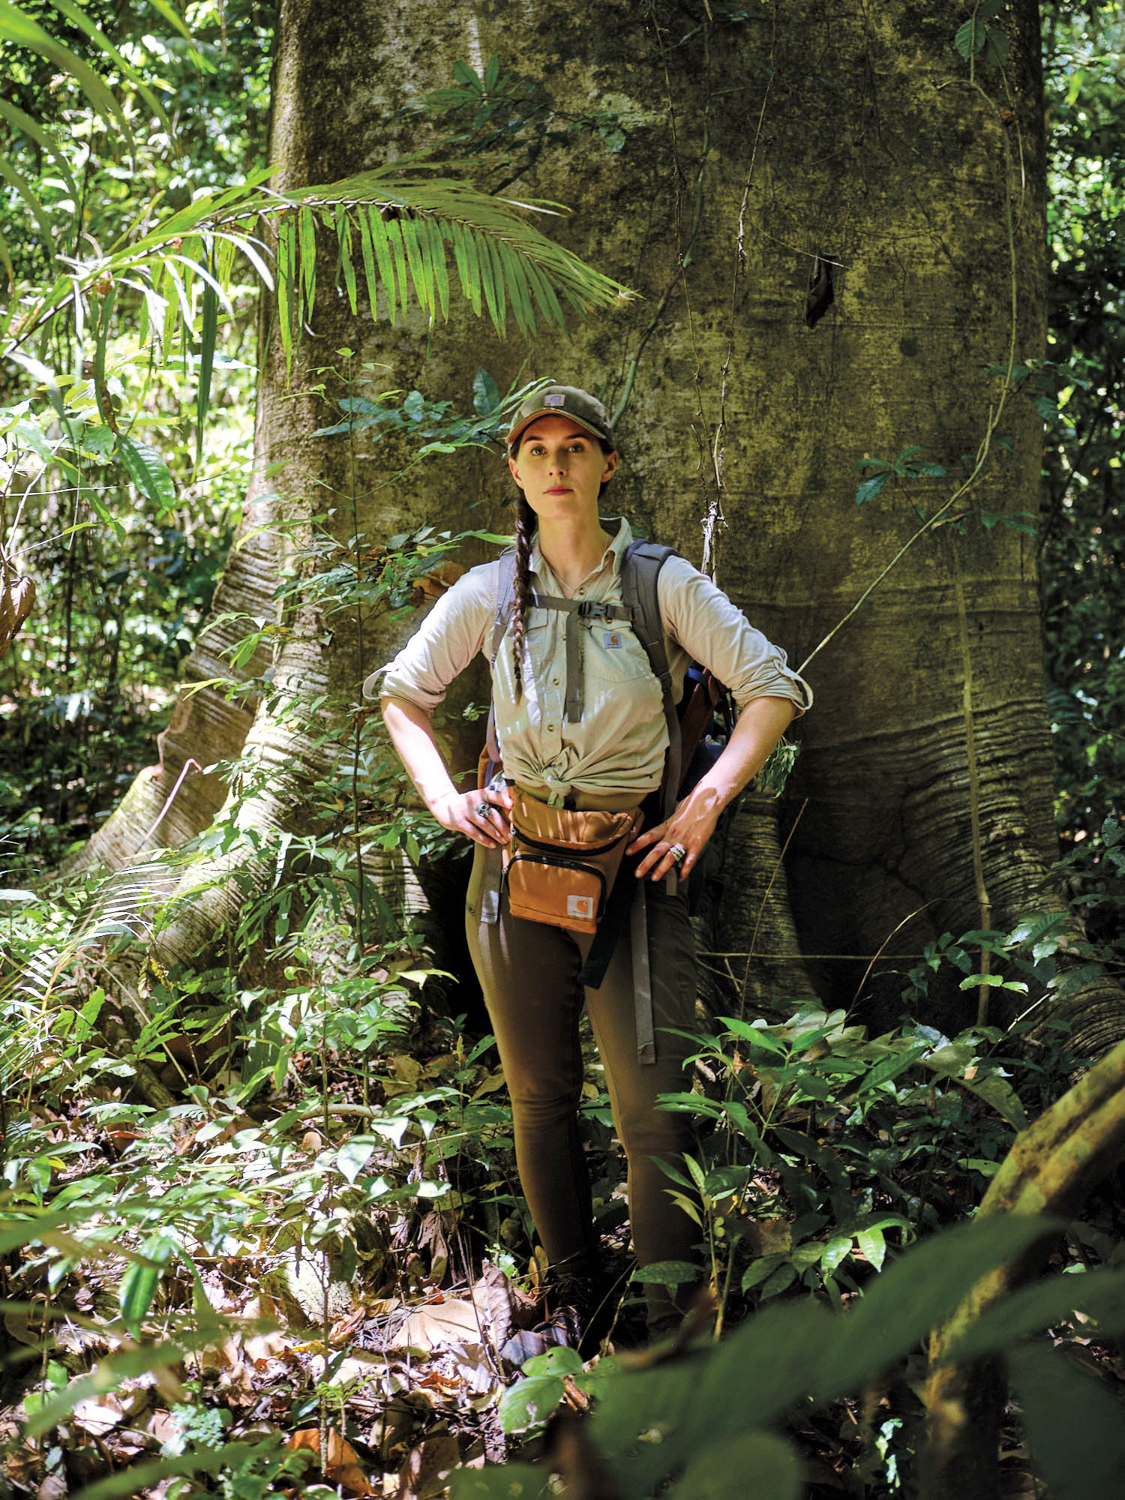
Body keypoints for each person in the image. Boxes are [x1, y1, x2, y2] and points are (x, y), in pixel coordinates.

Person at [368, 386, 810, 1350]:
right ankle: (574, 1304)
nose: (556, 464)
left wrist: (700, 806)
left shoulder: (659, 585)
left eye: (576, 447)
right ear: (515, 471)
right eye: (535, 449)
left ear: (608, 465)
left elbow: (771, 688)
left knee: (651, 1118)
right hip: (514, 864)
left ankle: (668, 1337)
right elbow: (405, 696)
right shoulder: (490, 591)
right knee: (538, 1096)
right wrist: (446, 799)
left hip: (636, 870)